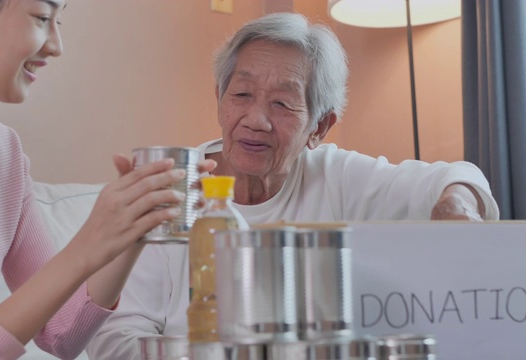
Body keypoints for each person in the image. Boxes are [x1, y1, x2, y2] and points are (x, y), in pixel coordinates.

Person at [85, 12, 500, 359]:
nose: (256, 119)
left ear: (320, 126)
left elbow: (455, 178)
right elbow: (111, 341)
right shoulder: (170, 191)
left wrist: (456, 207)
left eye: (282, 103)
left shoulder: (335, 175)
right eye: (242, 93)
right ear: (219, 98)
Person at [0, 0, 216, 359]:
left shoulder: (2, 149)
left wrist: (133, 228)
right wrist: (87, 244)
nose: (56, 45)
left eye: (59, 22)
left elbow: (62, 334)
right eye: (43, 18)